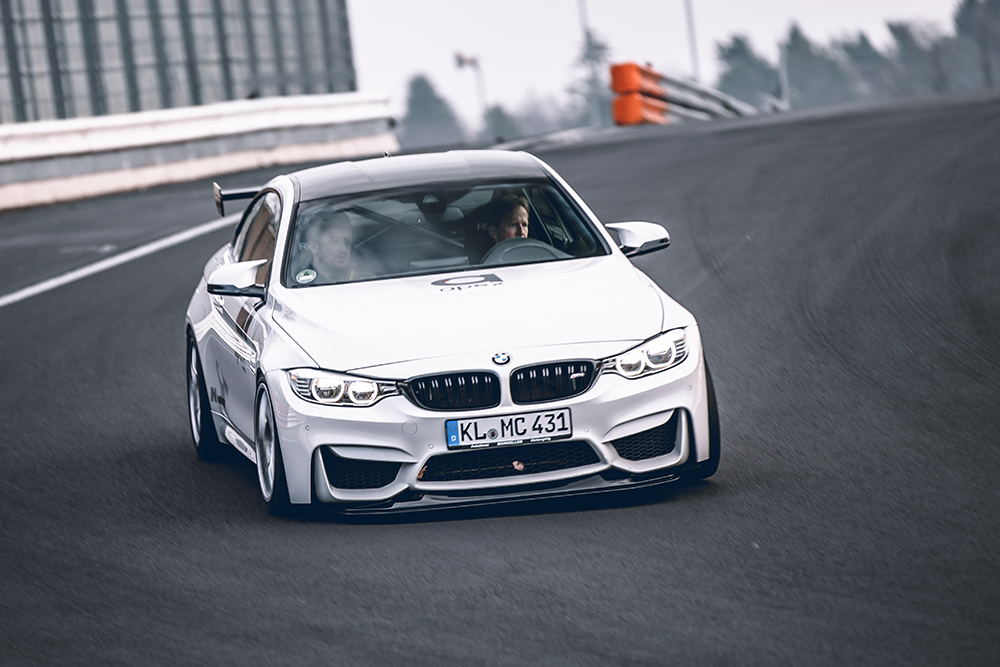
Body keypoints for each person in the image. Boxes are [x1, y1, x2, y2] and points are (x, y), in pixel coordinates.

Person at [293, 209, 354, 284]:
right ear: (313, 247)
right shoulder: (298, 285)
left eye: (347, 241)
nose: (344, 248)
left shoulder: (362, 277)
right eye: (334, 241)